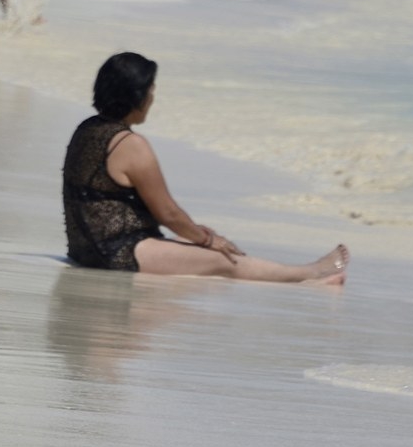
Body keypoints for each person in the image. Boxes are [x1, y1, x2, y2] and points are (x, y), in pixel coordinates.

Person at [63, 52, 349, 282]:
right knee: (224, 260)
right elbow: (168, 213)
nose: (152, 99)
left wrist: (196, 234)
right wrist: (209, 239)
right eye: (150, 91)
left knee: (192, 242)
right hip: (116, 254)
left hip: (84, 249)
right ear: (136, 97)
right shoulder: (130, 144)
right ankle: (310, 274)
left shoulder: (86, 130)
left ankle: (308, 280)